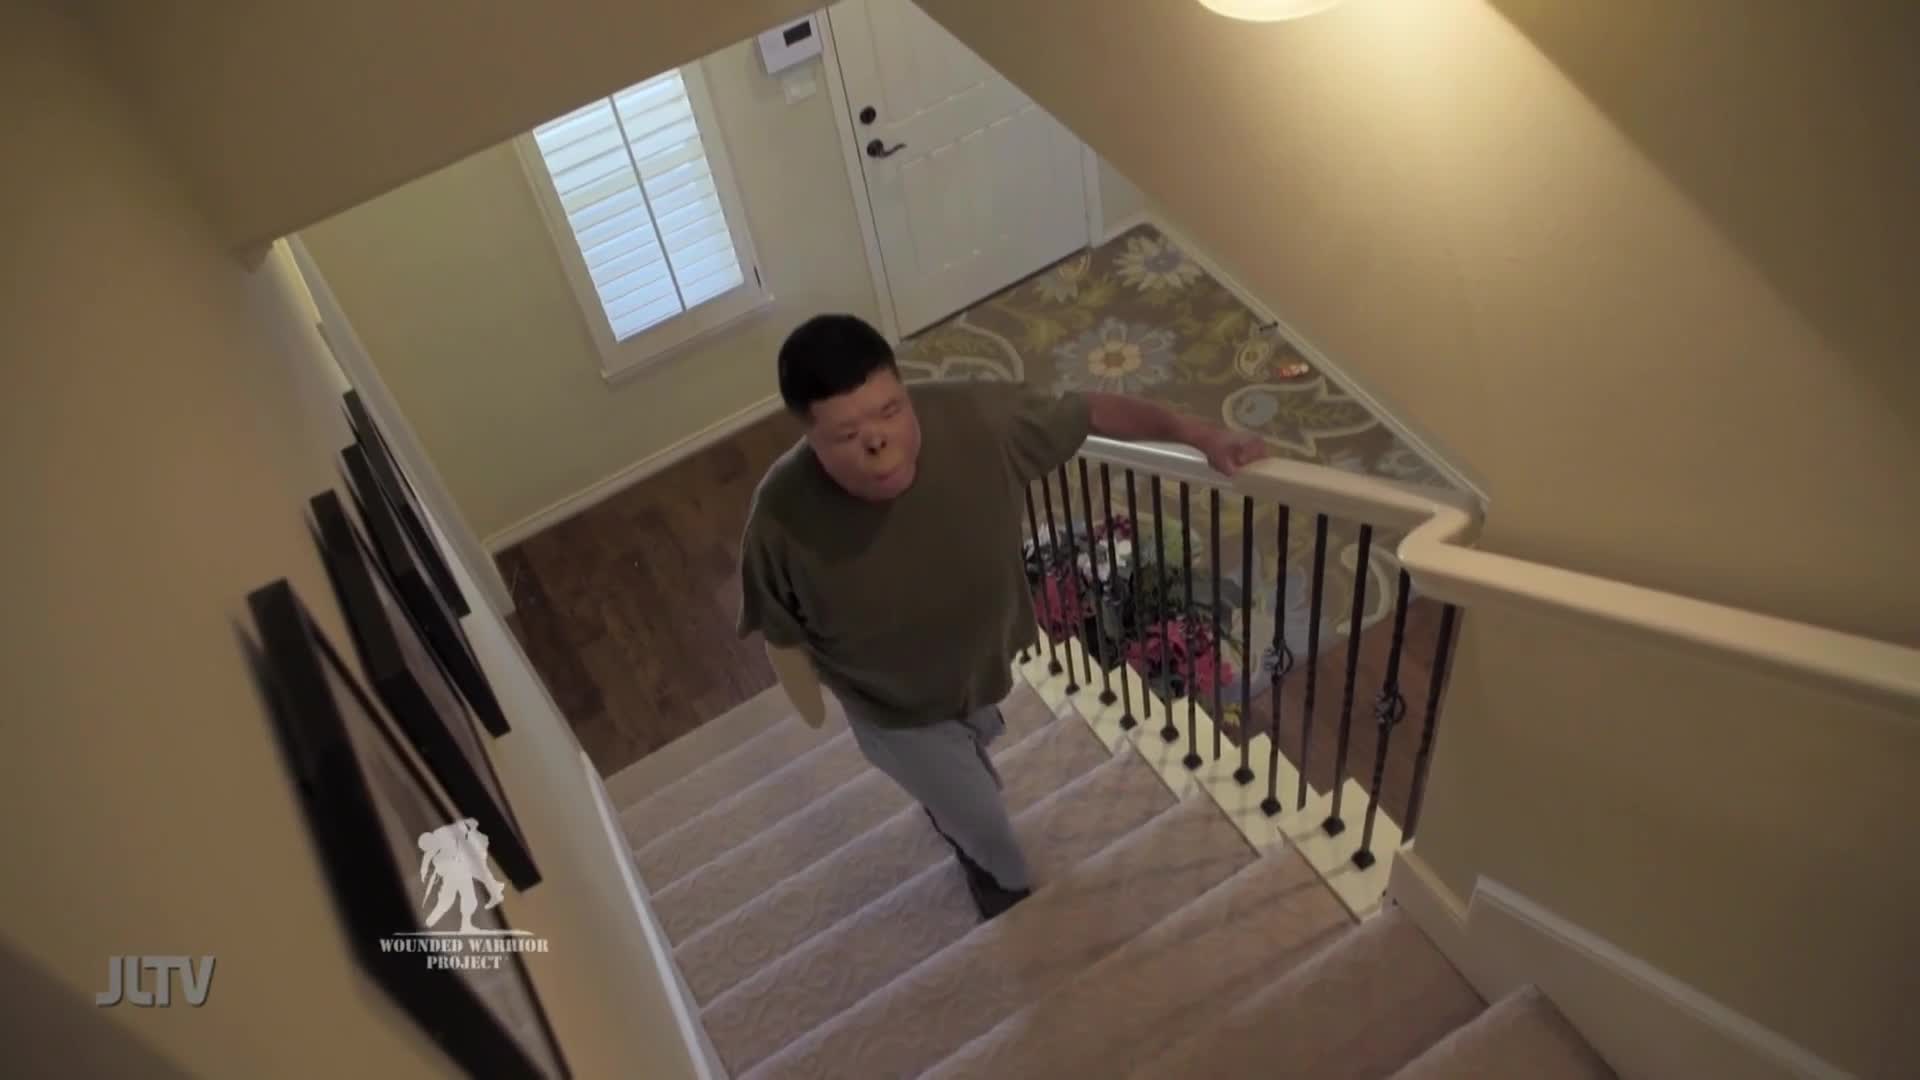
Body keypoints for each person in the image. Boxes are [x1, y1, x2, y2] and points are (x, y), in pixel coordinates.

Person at [736, 313, 1272, 921]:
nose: (879, 442)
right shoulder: (779, 521)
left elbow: (1089, 409)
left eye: (890, 410)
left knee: (975, 755)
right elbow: (777, 628)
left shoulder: (977, 419)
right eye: (845, 434)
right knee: (983, 819)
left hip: (982, 667)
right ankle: (1003, 892)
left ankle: (957, 804)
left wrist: (1197, 433)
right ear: (808, 437)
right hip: (896, 713)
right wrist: (809, 705)